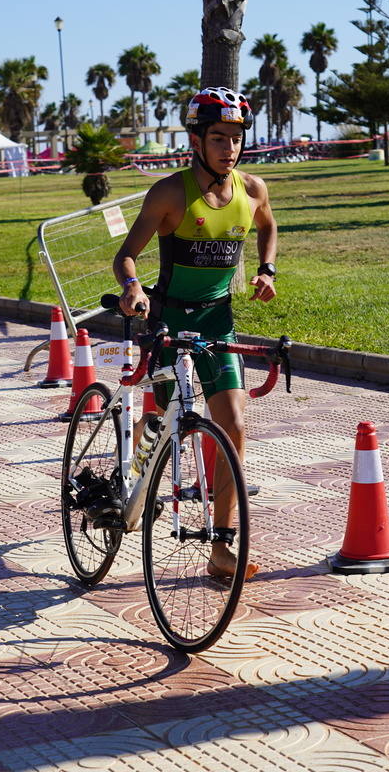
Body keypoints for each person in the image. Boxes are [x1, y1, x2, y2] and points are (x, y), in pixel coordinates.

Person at [112, 86, 277, 582]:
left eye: (236, 138)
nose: (230, 148)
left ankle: (222, 547)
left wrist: (266, 269)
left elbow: (267, 226)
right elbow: (126, 254)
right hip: (168, 321)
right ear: (197, 140)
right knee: (165, 424)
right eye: (219, 138)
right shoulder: (170, 193)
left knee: (234, 425)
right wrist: (132, 287)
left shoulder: (252, 189)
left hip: (217, 320)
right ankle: (132, 476)